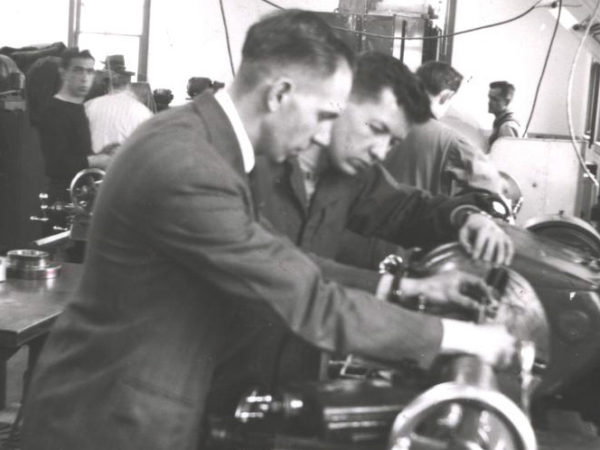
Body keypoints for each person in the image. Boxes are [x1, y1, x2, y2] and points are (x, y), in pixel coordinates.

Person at [22, 11, 515, 450]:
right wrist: (462, 337)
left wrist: (417, 271)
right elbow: (305, 297)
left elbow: (282, 260)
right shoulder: (190, 164)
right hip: (115, 421)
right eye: (325, 115)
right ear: (280, 94)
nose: (323, 134)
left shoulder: (209, 144)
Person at [209, 52, 513, 399]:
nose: (380, 152)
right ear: (339, 103)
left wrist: (466, 217)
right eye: (376, 128)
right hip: (221, 374)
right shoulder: (250, 166)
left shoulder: (349, 176)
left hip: (289, 381)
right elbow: (291, 274)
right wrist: (407, 291)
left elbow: (406, 208)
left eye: (393, 142)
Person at [385, 61, 504, 196]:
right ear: (445, 96)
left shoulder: (380, 124)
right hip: (418, 214)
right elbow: (491, 183)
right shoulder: (450, 140)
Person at [36, 48, 109, 203]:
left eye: (89, 71)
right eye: (78, 70)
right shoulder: (54, 111)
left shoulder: (80, 108)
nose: (84, 78)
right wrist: (97, 160)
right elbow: (56, 164)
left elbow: (78, 153)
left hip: (80, 197)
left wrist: (105, 154)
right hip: (62, 200)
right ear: (63, 73)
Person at [85, 54, 153, 157]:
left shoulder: (89, 105)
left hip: (91, 166)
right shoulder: (143, 111)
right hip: (125, 166)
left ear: (106, 83)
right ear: (128, 85)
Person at [488, 80, 521, 148]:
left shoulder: (506, 127)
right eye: (489, 98)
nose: (489, 102)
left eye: (494, 99)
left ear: (507, 102)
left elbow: (508, 155)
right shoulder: (503, 123)